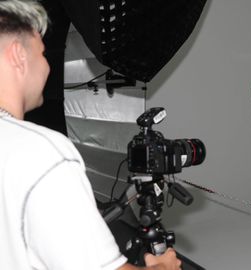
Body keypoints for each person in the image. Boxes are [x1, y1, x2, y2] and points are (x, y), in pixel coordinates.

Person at [0, 1, 181, 269]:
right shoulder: (44, 153)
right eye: (42, 53)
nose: (48, 67)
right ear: (17, 55)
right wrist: (163, 266)